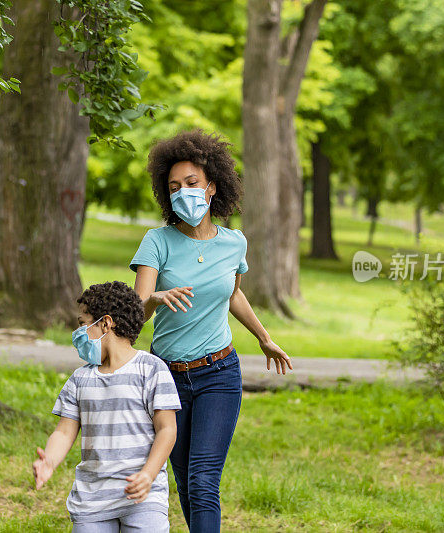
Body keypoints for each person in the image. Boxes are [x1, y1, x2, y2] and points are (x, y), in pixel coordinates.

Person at [130, 128, 293, 532]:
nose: (182, 192)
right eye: (173, 186)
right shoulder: (157, 242)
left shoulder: (234, 243)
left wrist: (264, 337)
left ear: (211, 188)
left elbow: (233, 295)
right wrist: (157, 298)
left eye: (191, 183)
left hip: (219, 374)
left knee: (204, 481)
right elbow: (137, 310)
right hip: (166, 378)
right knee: (186, 482)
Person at [33, 281, 182, 532]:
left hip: (143, 498)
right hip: (92, 501)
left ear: (105, 323)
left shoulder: (152, 369)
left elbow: (167, 430)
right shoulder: (80, 379)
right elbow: (64, 432)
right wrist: (49, 461)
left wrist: (148, 474)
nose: (78, 332)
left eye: (83, 323)